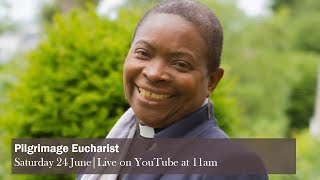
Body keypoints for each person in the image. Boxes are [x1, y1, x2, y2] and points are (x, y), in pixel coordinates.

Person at [78, 0, 268, 179]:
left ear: (211, 81)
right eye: (143, 53)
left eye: (180, 64)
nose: (153, 73)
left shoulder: (232, 166)